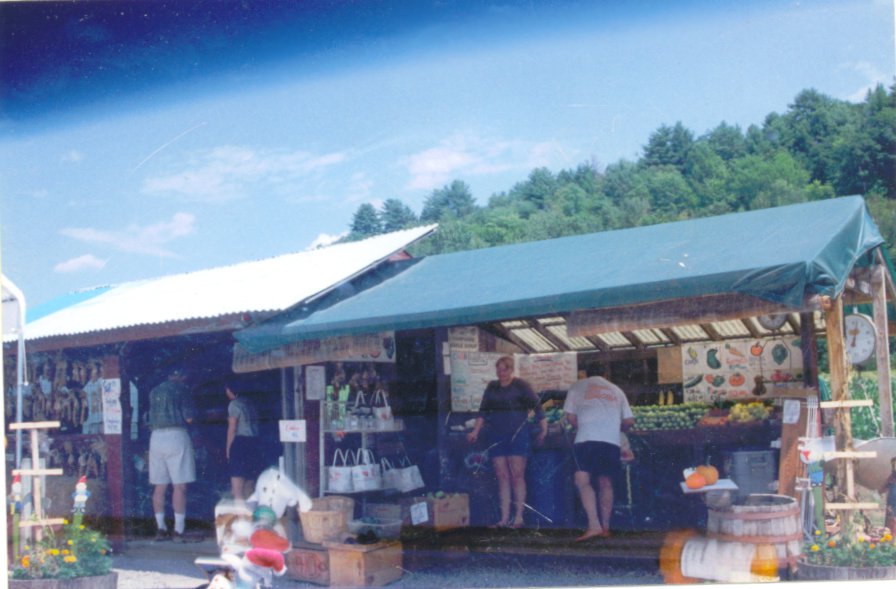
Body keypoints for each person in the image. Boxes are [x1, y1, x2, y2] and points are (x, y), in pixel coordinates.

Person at [467, 355, 546, 528]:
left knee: (517, 475)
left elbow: (537, 407)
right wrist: (475, 431)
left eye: (505, 369)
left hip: (518, 436)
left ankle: (518, 517)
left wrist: (544, 428)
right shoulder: (492, 387)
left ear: (511, 370)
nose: (501, 372)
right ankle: (503, 518)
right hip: (497, 435)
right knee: (502, 476)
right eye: (499, 369)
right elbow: (482, 411)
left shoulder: (521, 385)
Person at [563, 362, 634, 541]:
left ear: (585, 373)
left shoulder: (577, 387)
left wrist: (586, 425)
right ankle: (605, 527)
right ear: (605, 373)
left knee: (582, 480)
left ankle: (593, 525)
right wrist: (611, 426)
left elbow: (570, 418)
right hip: (610, 441)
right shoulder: (616, 390)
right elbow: (629, 421)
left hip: (585, 439)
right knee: (606, 482)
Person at [148, 366, 200, 542]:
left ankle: (160, 528)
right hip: (176, 435)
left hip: (155, 438)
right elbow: (189, 418)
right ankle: (178, 530)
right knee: (179, 486)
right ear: (181, 375)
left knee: (159, 486)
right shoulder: (182, 389)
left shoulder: (154, 391)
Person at [225, 378, 260, 501]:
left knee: (237, 491)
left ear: (229, 390)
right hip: (254, 444)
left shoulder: (234, 404)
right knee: (249, 486)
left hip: (240, 444)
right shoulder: (250, 403)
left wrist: (228, 450)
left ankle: (242, 519)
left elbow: (232, 428)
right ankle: (251, 517)